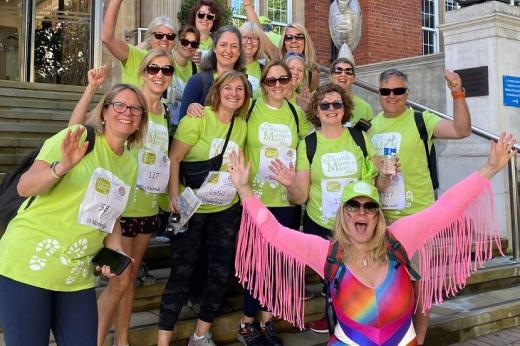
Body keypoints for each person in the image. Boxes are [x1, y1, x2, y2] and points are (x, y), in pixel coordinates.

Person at [229, 132, 517, 346]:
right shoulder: (326, 252)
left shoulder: (400, 239)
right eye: (353, 206)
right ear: (343, 214)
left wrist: (489, 168)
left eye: (370, 206)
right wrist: (244, 190)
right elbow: (274, 232)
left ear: (379, 214)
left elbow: (446, 208)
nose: (361, 212)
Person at [0, 83, 148, 345]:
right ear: (104, 111)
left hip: (76, 276)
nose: (128, 112)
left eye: (136, 109)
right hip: (28, 265)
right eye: (120, 105)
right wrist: (61, 168)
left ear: (140, 121)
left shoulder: (129, 163)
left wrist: (115, 251)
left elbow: (111, 216)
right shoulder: (77, 137)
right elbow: (25, 186)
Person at [68, 50, 174, 346]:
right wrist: (91, 89)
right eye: (154, 68)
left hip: (147, 207)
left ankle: (122, 339)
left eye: (167, 70)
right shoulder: (128, 106)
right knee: (121, 279)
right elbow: (75, 132)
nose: (160, 75)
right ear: (142, 71)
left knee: (129, 279)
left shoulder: (164, 112)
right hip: (118, 209)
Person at [268, 83, 391, 333]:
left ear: (345, 109)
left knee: (358, 283)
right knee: (333, 284)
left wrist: (388, 173)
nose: (331, 109)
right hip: (322, 225)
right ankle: (339, 330)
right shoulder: (308, 144)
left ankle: (362, 330)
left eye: (337, 104)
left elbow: (380, 182)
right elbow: (300, 196)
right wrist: (290, 183)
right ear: (316, 110)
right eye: (325, 105)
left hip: (358, 226)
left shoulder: (360, 138)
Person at [369, 68, 471, 345]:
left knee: (420, 286)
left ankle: (419, 340)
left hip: (419, 216)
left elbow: (462, 130)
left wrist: (457, 93)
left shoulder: (420, 120)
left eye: (398, 91)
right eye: (385, 91)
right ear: (379, 93)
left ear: (407, 93)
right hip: (381, 220)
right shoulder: (371, 126)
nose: (392, 96)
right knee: (387, 288)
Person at [157, 71, 250, 346]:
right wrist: (174, 193)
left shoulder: (242, 125)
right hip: (192, 207)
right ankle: (163, 340)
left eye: (240, 89)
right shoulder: (197, 118)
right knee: (181, 274)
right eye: (228, 88)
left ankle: (200, 334)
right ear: (218, 91)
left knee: (221, 272)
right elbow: (174, 158)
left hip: (225, 209)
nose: (234, 93)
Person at [237, 60, 313, 346]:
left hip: (286, 201)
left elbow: (312, 139)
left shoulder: (296, 113)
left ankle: (267, 321)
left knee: (278, 264)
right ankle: (246, 323)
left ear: (291, 81)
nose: (278, 85)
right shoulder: (251, 107)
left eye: (284, 79)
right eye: (271, 81)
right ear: (263, 84)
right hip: (256, 199)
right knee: (256, 264)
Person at [241, 2, 320, 91]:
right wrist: (247, 3)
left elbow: (311, 100)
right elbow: (259, 30)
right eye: (289, 38)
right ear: (284, 43)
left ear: (305, 41)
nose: (293, 41)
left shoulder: (312, 72)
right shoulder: (278, 58)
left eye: (298, 37)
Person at [101, 0, 176, 86]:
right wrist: (115, 2)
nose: (165, 39)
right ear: (150, 38)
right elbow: (107, 38)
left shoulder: (175, 65)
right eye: (159, 35)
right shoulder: (137, 56)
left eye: (170, 36)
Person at [178, 25, 245, 120]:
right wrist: (190, 109)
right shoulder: (197, 82)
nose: (228, 50)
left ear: (239, 51)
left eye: (234, 46)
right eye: (223, 45)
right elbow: (182, 125)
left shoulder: (244, 86)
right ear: (214, 48)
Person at [167, 25, 201, 129]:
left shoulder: (197, 71)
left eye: (194, 44)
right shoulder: (165, 61)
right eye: (185, 42)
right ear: (177, 42)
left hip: (182, 128)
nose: (189, 46)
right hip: (163, 123)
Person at [329, 58, 374, 127]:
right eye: (338, 71)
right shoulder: (321, 104)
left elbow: (369, 135)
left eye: (348, 72)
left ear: (354, 78)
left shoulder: (365, 108)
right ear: (330, 76)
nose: (343, 74)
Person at [239, 21, 265, 96]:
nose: (249, 41)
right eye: (244, 37)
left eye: (254, 38)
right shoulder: (230, 65)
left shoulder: (264, 70)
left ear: (259, 42)